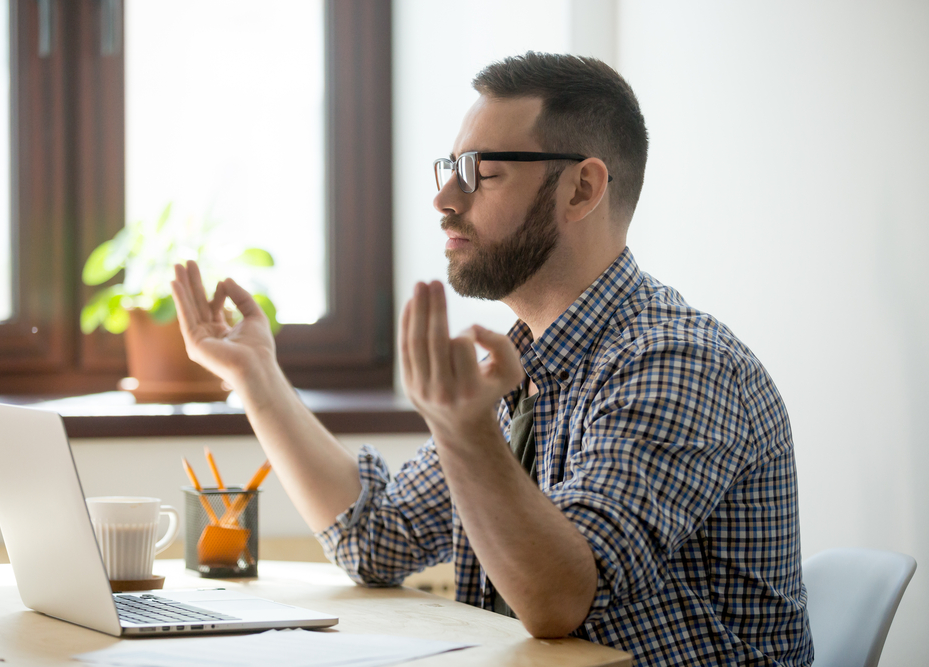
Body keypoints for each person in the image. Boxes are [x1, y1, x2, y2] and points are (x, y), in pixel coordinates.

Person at [171, 52, 812, 666]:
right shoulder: (526, 367)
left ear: (582, 188)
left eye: (480, 170)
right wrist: (255, 377)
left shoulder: (678, 362)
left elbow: (561, 598)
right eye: (448, 167)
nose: (445, 198)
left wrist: (466, 430)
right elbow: (374, 536)